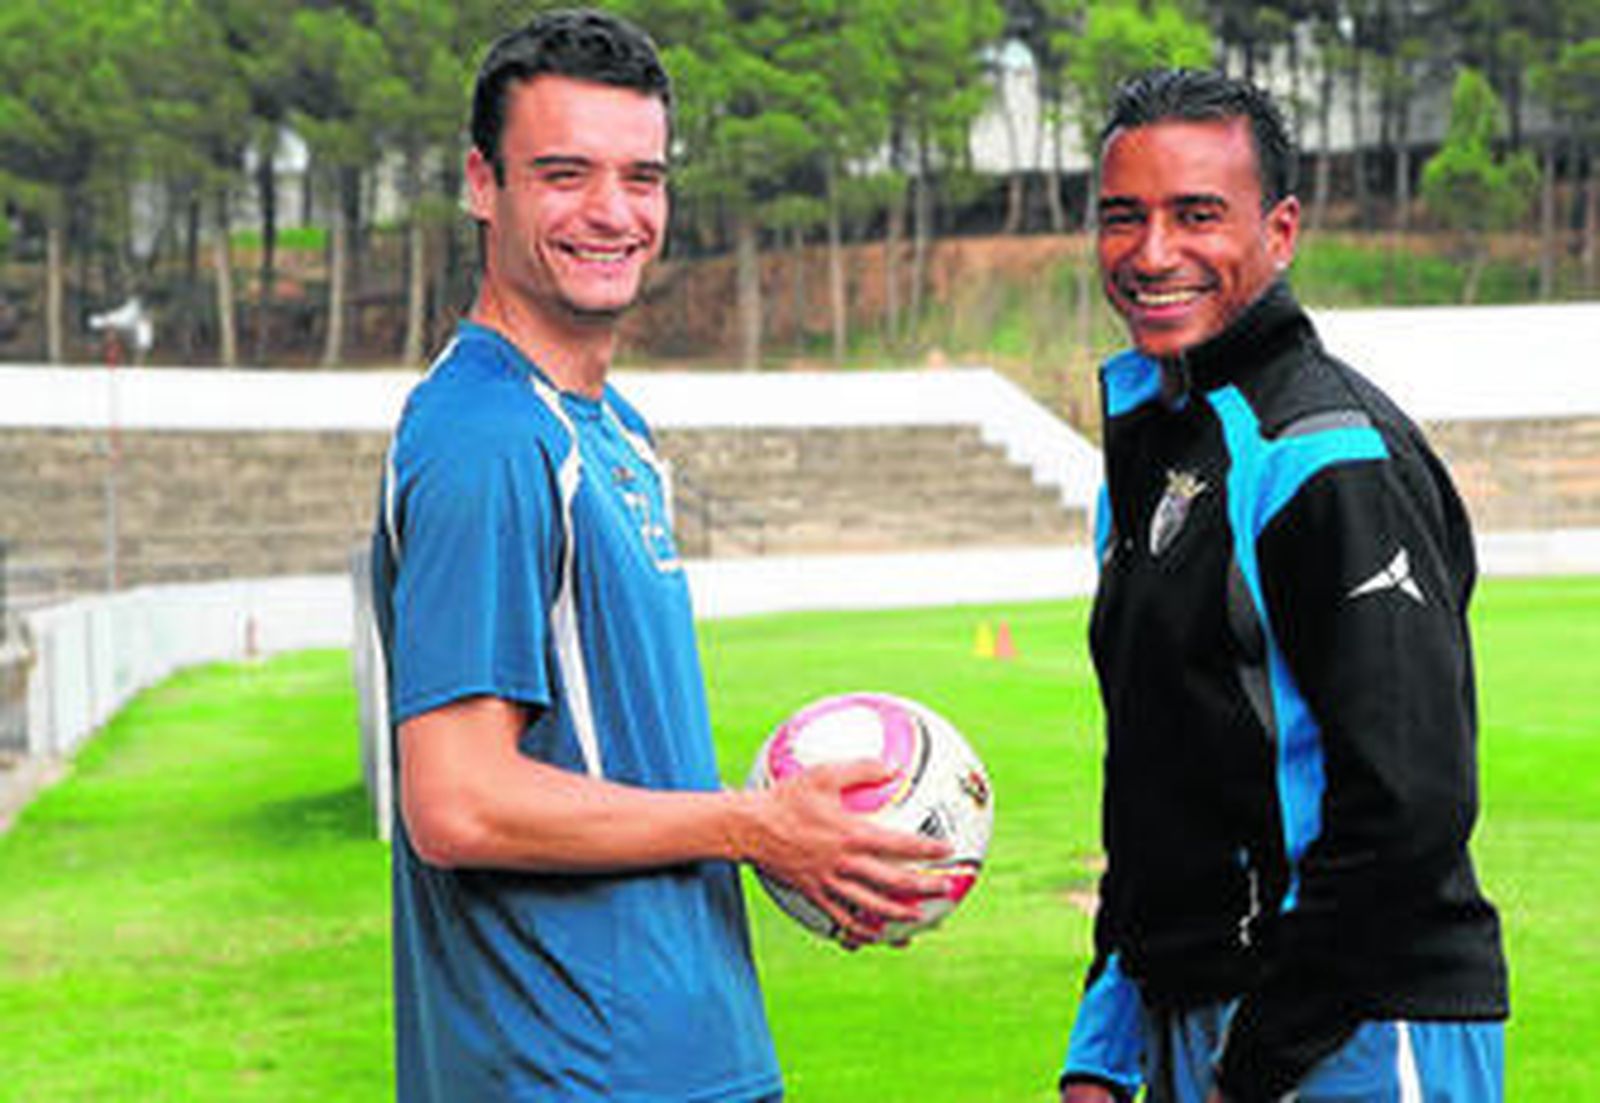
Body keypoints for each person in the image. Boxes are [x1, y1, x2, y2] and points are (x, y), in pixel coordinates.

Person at [370, 11, 950, 1101]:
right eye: (563, 174)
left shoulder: (610, 428)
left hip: (682, 1053)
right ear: (480, 184)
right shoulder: (490, 437)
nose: (612, 212)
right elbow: (458, 800)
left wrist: (802, 840)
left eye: (642, 176)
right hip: (575, 1071)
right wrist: (750, 825)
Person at [1058, 69, 1509, 1103]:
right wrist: (1102, 1047)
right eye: (1123, 216)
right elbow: (1153, 787)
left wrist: (1255, 1062)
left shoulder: (1329, 455)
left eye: (1197, 214)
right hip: (1200, 1017)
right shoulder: (1154, 456)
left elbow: (1406, 808)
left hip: (1354, 1022)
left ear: (1283, 228)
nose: (1152, 251)